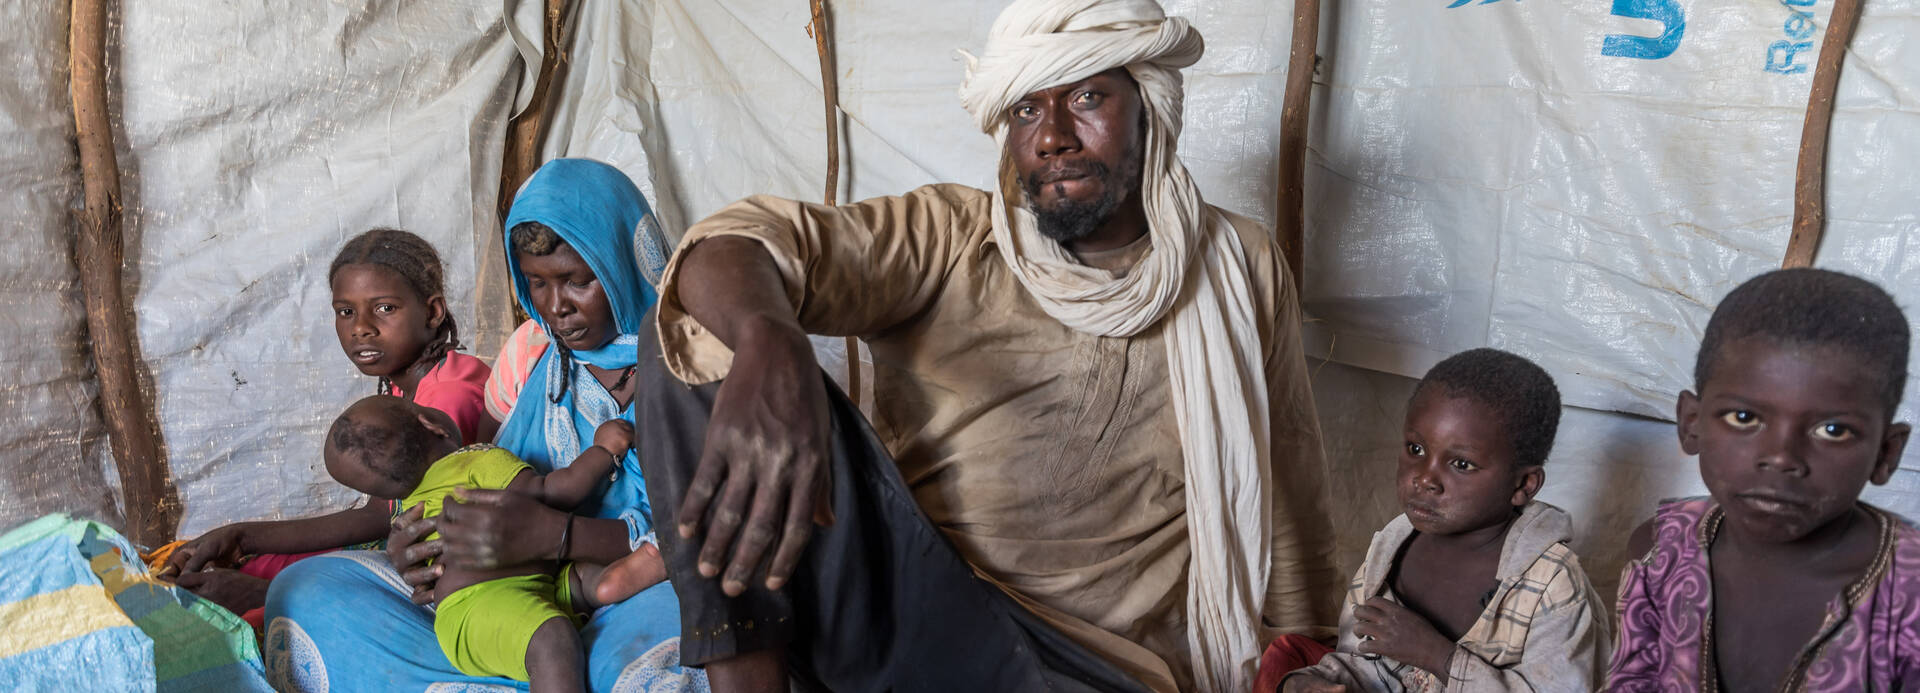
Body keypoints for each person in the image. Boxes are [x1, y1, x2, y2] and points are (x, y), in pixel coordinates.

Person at [628, 1, 1338, 691]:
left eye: (1088, 95)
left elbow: (1287, 485)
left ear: (1149, 108)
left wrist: (1312, 656)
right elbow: (729, 247)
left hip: (1089, 662)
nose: (1053, 134)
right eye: (1027, 108)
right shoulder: (951, 236)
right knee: (690, 341)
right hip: (913, 604)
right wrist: (769, 338)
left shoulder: (1236, 266)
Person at [262, 159, 706, 691]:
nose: (556, 306)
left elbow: (717, 528)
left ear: (620, 263)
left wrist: (560, 536)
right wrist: (418, 547)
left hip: (623, 590)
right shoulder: (533, 353)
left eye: (578, 281)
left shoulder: (697, 362)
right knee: (308, 588)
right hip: (512, 596)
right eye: (537, 284)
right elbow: (470, 474)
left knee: (683, 626)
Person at [1606, 268, 1920, 691]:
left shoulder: (1910, 596)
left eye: (1833, 430)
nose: (1781, 457)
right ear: (1692, 424)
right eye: (1744, 418)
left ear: (1886, 453)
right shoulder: (1660, 553)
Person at [162, 228, 493, 620]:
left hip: (445, 574)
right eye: (345, 311)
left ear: (433, 311)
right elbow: (381, 513)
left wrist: (264, 589)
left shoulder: (447, 399)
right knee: (239, 564)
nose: (361, 327)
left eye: (385, 308)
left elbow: (392, 527)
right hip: (403, 545)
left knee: (246, 605)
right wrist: (239, 537)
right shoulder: (411, 388)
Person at [1280, 349, 1610, 692]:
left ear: (1522, 485)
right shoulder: (1389, 552)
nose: (1424, 479)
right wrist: (1311, 684)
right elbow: (1362, 663)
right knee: (1284, 661)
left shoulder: (1552, 587)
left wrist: (1438, 656)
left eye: (1461, 464)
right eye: (1416, 449)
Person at [314, 395, 631, 691]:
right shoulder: (477, 459)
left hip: (481, 606)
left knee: (579, 579)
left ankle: (605, 584)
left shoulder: (412, 505)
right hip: (487, 602)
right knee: (552, 639)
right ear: (431, 423)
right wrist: (603, 450)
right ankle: (609, 582)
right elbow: (555, 492)